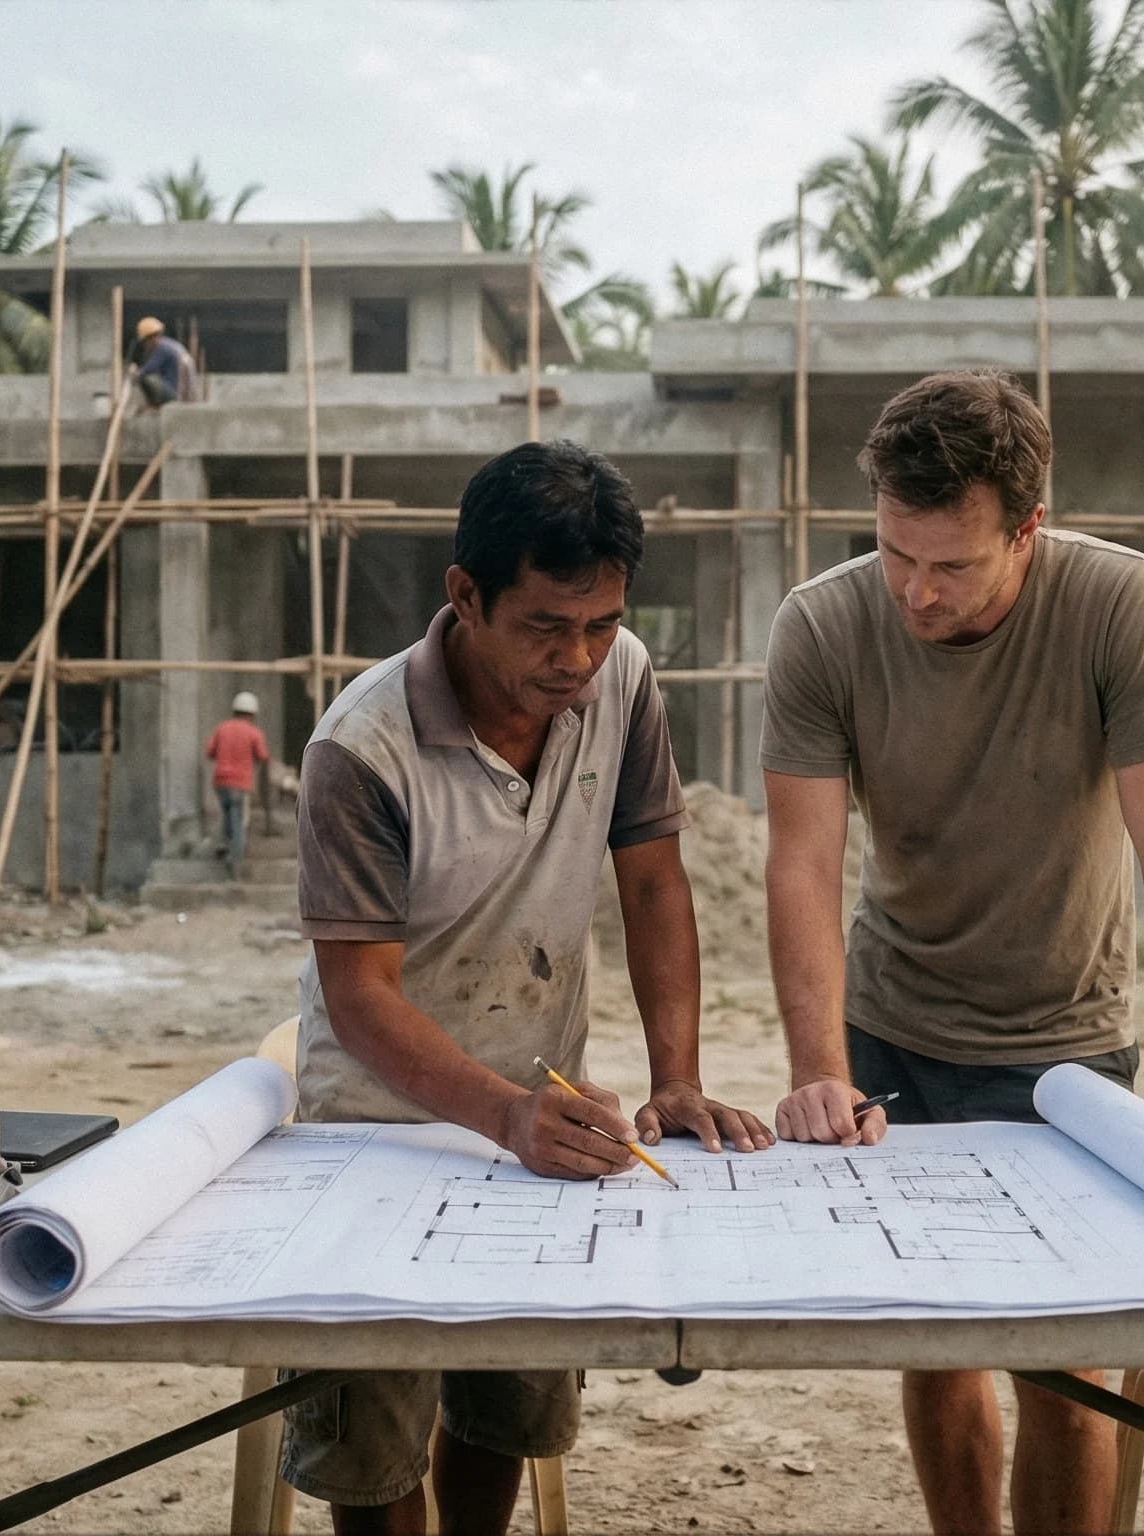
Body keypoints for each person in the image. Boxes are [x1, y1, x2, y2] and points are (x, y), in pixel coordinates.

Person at [759, 368, 1144, 1536]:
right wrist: (817, 1067)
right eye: (894, 554)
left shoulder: (1120, 603)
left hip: (1069, 1049)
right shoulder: (823, 625)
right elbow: (800, 866)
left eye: (950, 565)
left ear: (1027, 530)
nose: (914, 593)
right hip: (896, 1030)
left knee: (1067, 1373)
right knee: (936, 1349)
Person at [285, 439, 773, 1536]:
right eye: (545, 628)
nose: (578, 660)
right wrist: (501, 1112)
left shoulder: (624, 679)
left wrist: (678, 1077)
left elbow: (652, 879)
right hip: (375, 1127)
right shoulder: (360, 751)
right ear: (464, 595)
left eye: (600, 624)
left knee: (508, 1403)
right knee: (374, 1443)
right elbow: (358, 996)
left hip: (541, 1119)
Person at [204, 691, 272, 877]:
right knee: (238, 820)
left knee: (227, 814)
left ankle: (223, 844)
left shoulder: (222, 728)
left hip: (220, 782)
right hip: (240, 783)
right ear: (252, 713)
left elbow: (209, 752)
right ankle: (236, 860)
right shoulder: (253, 732)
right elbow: (263, 756)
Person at [131, 314, 195, 407]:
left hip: (176, 395)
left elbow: (147, 370)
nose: (145, 346)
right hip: (187, 395)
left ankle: (154, 405)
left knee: (146, 378)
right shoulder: (170, 344)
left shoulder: (162, 348)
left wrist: (134, 373)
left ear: (150, 339)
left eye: (145, 342)